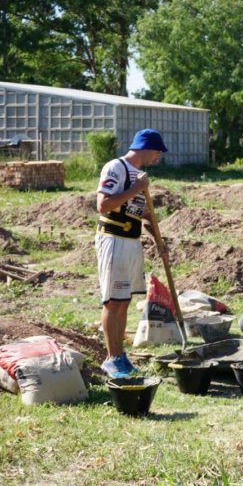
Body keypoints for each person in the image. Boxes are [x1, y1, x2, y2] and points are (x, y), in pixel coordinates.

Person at [95, 129, 168, 378]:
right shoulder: (115, 168)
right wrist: (136, 187)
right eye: (158, 151)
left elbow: (145, 216)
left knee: (124, 300)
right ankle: (111, 358)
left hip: (132, 242)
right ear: (146, 148)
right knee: (113, 300)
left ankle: (121, 356)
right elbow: (103, 204)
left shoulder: (140, 176)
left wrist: (159, 242)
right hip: (114, 240)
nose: (159, 157)